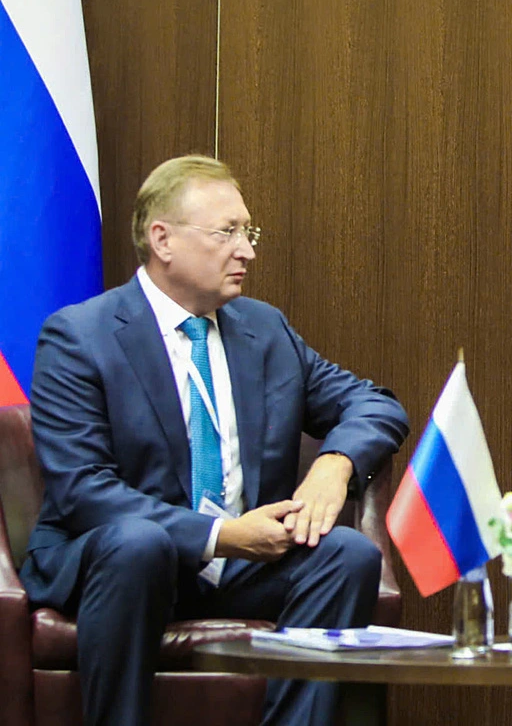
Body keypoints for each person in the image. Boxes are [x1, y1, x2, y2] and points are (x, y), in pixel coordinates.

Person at [18, 155, 410, 726]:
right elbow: (83, 492)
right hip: (123, 564)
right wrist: (222, 535)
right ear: (163, 239)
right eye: (227, 232)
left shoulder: (264, 330)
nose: (247, 250)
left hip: (240, 567)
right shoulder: (80, 336)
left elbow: (376, 403)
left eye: (248, 232)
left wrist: (335, 463)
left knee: (348, 554)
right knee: (138, 543)